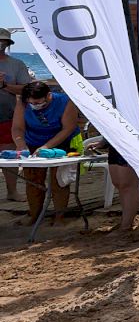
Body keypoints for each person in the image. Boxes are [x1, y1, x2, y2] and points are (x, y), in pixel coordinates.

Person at [11, 81, 79, 224]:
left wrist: (47, 146)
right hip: (33, 140)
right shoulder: (23, 102)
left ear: (48, 96)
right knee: (33, 180)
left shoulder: (65, 102)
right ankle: (34, 215)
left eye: (37, 103)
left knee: (59, 180)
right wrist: (21, 145)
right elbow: (17, 127)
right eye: (31, 103)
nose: (34, 106)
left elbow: (68, 128)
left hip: (62, 140)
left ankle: (59, 217)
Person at [0, 28, 34, 201]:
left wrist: (4, 86)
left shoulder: (17, 64)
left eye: (3, 42)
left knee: (8, 155)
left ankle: (12, 191)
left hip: (8, 116)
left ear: (7, 44)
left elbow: (26, 89)